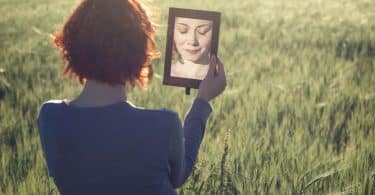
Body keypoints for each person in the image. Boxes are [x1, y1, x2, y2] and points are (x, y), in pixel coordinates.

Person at [37, 0, 226, 194]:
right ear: (139, 52)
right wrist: (202, 101)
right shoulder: (163, 125)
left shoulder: (50, 118)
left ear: (72, 44)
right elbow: (179, 175)